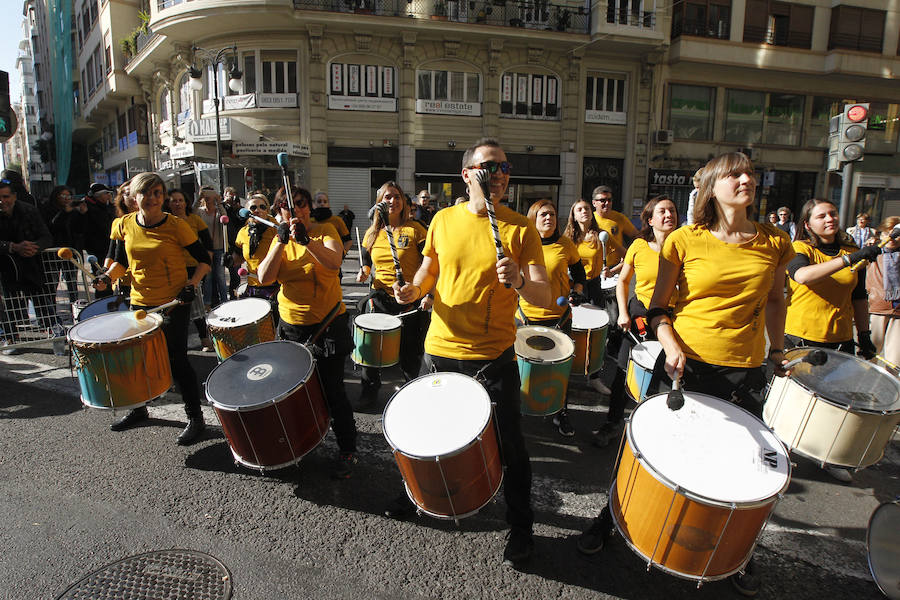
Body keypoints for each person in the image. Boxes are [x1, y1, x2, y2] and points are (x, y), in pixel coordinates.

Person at [579, 152, 794, 596]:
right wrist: (672, 344)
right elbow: (658, 308)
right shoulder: (684, 239)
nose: (745, 180)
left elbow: (776, 301)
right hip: (685, 360)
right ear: (712, 187)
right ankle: (610, 520)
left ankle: (735, 555)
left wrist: (778, 350)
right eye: (734, 174)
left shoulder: (775, 241)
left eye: (749, 174)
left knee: (740, 463)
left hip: (746, 369)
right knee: (649, 448)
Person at [394, 137, 550, 567]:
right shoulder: (443, 219)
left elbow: (543, 291)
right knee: (426, 432)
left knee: (511, 446)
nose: (497, 175)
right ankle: (417, 494)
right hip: (439, 350)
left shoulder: (520, 228)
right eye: (487, 167)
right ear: (466, 175)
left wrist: (519, 280)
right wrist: (414, 289)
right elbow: (430, 268)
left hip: (492, 356)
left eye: (503, 168)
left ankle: (521, 527)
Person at [90, 172, 211, 445]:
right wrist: (106, 278)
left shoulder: (177, 226)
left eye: (158, 193)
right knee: (137, 358)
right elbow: (119, 262)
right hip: (140, 301)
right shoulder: (124, 225)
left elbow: (204, 260)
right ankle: (138, 408)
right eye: (147, 193)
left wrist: (192, 283)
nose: (154, 198)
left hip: (173, 302)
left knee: (176, 359)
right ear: (134, 198)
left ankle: (195, 418)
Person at [257, 186, 359, 479]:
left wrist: (307, 241)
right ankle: (300, 441)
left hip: (327, 325)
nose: (296, 210)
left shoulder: (325, 230)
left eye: (301, 204)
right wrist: (280, 241)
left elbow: (334, 261)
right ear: (279, 211)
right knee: (293, 391)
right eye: (288, 206)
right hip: (291, 327)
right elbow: (265, 278)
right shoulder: (278, 238)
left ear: (308, 208)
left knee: (332, 391)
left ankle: (347, 449)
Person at [783, 198, 880, 483]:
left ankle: (827, 457)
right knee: (794, 402)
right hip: (801, 337)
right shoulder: (800, 249)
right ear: (807, 223)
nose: (829, 219)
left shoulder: (851, 250)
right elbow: (803, 276)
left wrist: (864, 335)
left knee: (834, 405)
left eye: (833, 214)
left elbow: (858, 296)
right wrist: (850, 259)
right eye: (822, 216)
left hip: (839, 339)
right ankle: (780, 452)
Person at [592, 195, 679, 448]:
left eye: (672, 210)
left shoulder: (685, 247)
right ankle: (613, 422)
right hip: (640, 313)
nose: (668, 215)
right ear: (650, 220)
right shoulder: (639, 246)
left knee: (668, 374)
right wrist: (623, 312)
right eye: (662, 211)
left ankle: (657, 430)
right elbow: (623, 281)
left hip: (672, 317)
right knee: (623, 371)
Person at [355, 182, 429, 407]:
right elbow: (367, 261)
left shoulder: (416, 229)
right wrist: (364, 270)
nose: (392, 201)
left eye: (396, 197)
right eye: (387, 197)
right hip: (381, 297)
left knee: (411, 352)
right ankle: (369, 391)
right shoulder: (372, 232)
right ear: (379, 201)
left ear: (404, 202)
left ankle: (412, 394)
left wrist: (428, 294)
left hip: (410, 297)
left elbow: (430, 263)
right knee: (372, 351)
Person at [517, 199, 587, 437]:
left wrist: (576, 292)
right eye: (543, 214)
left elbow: (579, 273)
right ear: (533, 218)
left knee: (559, 372)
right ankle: (519, 411)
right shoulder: (522, 244)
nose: (549, 218)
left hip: (559, 319)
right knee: (522, 370)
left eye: (553, 214)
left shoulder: (565, 245)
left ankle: (560, 412)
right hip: (525, 318)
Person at [0, 179, 58, 349]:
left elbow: (46, 237)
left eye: (6, 196)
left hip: (31, 267)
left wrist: (34, 248)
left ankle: (56, 335)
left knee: (43, 303)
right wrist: (12, 247)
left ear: (14, 196)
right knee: (9, 307)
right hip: (5, 270)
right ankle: (10, 338)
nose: (3, 201)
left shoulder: (29, 210)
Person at [563, 198, 612, 395]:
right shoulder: (567, 238)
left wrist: (611, 268)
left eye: (586, 209)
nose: (584, 212)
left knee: (596, 335)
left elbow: (624, 254)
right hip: (572, 287)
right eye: (579, 210)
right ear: (573, 216)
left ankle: (594, 377)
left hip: (593, 286)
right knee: (570, 330)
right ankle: (564, 373)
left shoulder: (601, 236)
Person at [165, 188, 214, 351]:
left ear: (186, 203)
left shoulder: (194, 219)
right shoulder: (164, 222)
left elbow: (208, 245)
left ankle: (205, 339)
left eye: (181, 200)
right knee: (174, 308)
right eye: (174, 200)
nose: (178, 203)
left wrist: (206, 266)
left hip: (195, 268)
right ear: (168, 203)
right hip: (172, 270)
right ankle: (178, 343)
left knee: (196, 305)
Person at [232, 193, 279, 303]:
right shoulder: (243, 232)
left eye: (262, 207)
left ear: (267, 210)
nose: (258, 210)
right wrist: (230, 260)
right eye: (253, 208)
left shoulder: (276, 229)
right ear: (246, 212)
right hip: (253, 287)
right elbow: (238, 257)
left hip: (275, 287)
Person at [867, 216, 900, 371]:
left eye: (895, 233)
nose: (891, 237)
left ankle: (888, 392)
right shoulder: (873, 253)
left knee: (895, 361)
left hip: (898, 311)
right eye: (887, 233)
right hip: (877, 308)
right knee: (869, 355)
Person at [41, 185, 83, 303]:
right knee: (52, 285)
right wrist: (65, 212)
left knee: (72, 284)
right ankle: (52, 314)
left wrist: (83, 214)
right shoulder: (47, 209)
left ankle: (75, 309)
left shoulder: (74, 211)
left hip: (70, 252)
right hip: (52, 254)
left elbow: (80, 230)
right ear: (56, 196)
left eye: (68, 196)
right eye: (63, 196)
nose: (66, 198)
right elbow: (51, 227)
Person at [591, 185, 638, 277]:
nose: (607, 203)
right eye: (602, 200)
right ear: (594, 203)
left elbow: (636, 236)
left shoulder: (620, 218)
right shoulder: (590, 220)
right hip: (592, 270)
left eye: (609, 200)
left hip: (614, 269)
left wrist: (630, 253)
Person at [195, 186, 229, 309]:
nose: (208, 199)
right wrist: (199, 198)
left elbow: (225, 219)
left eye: (211, 195)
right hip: (206, 249)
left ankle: (225, 300)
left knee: (220, 276)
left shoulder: (218, 210)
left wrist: (219, 203)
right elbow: (191, 214)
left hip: (219, 248)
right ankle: (207, 303)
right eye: (206, 196)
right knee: (208, 277)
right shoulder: (199, 211)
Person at [222, 187, 246, 301]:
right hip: (226, 243)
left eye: (232, 196)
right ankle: (229, 295)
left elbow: (242, 220)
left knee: (236, 273)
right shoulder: (223, 208)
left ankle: (235, 295)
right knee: (224, 273)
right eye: (228, 195)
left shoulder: (239, 210)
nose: (230, 198)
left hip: (237, 244)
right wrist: (225, 204)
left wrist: (236, 207)